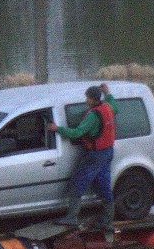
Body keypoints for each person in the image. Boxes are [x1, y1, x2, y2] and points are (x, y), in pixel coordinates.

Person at [48, 83, 118, 230]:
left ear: (93, 99)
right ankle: (107, 221)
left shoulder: (93, 115)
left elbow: (77, 133)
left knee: (78, 182)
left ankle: (72, 218)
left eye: (87, 98)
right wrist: (108, 93)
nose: (86, 100)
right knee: (104, 184)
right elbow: (114, 104)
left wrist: (57, 129)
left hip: (95, 155)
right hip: (108, 151)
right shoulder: (108, 107)